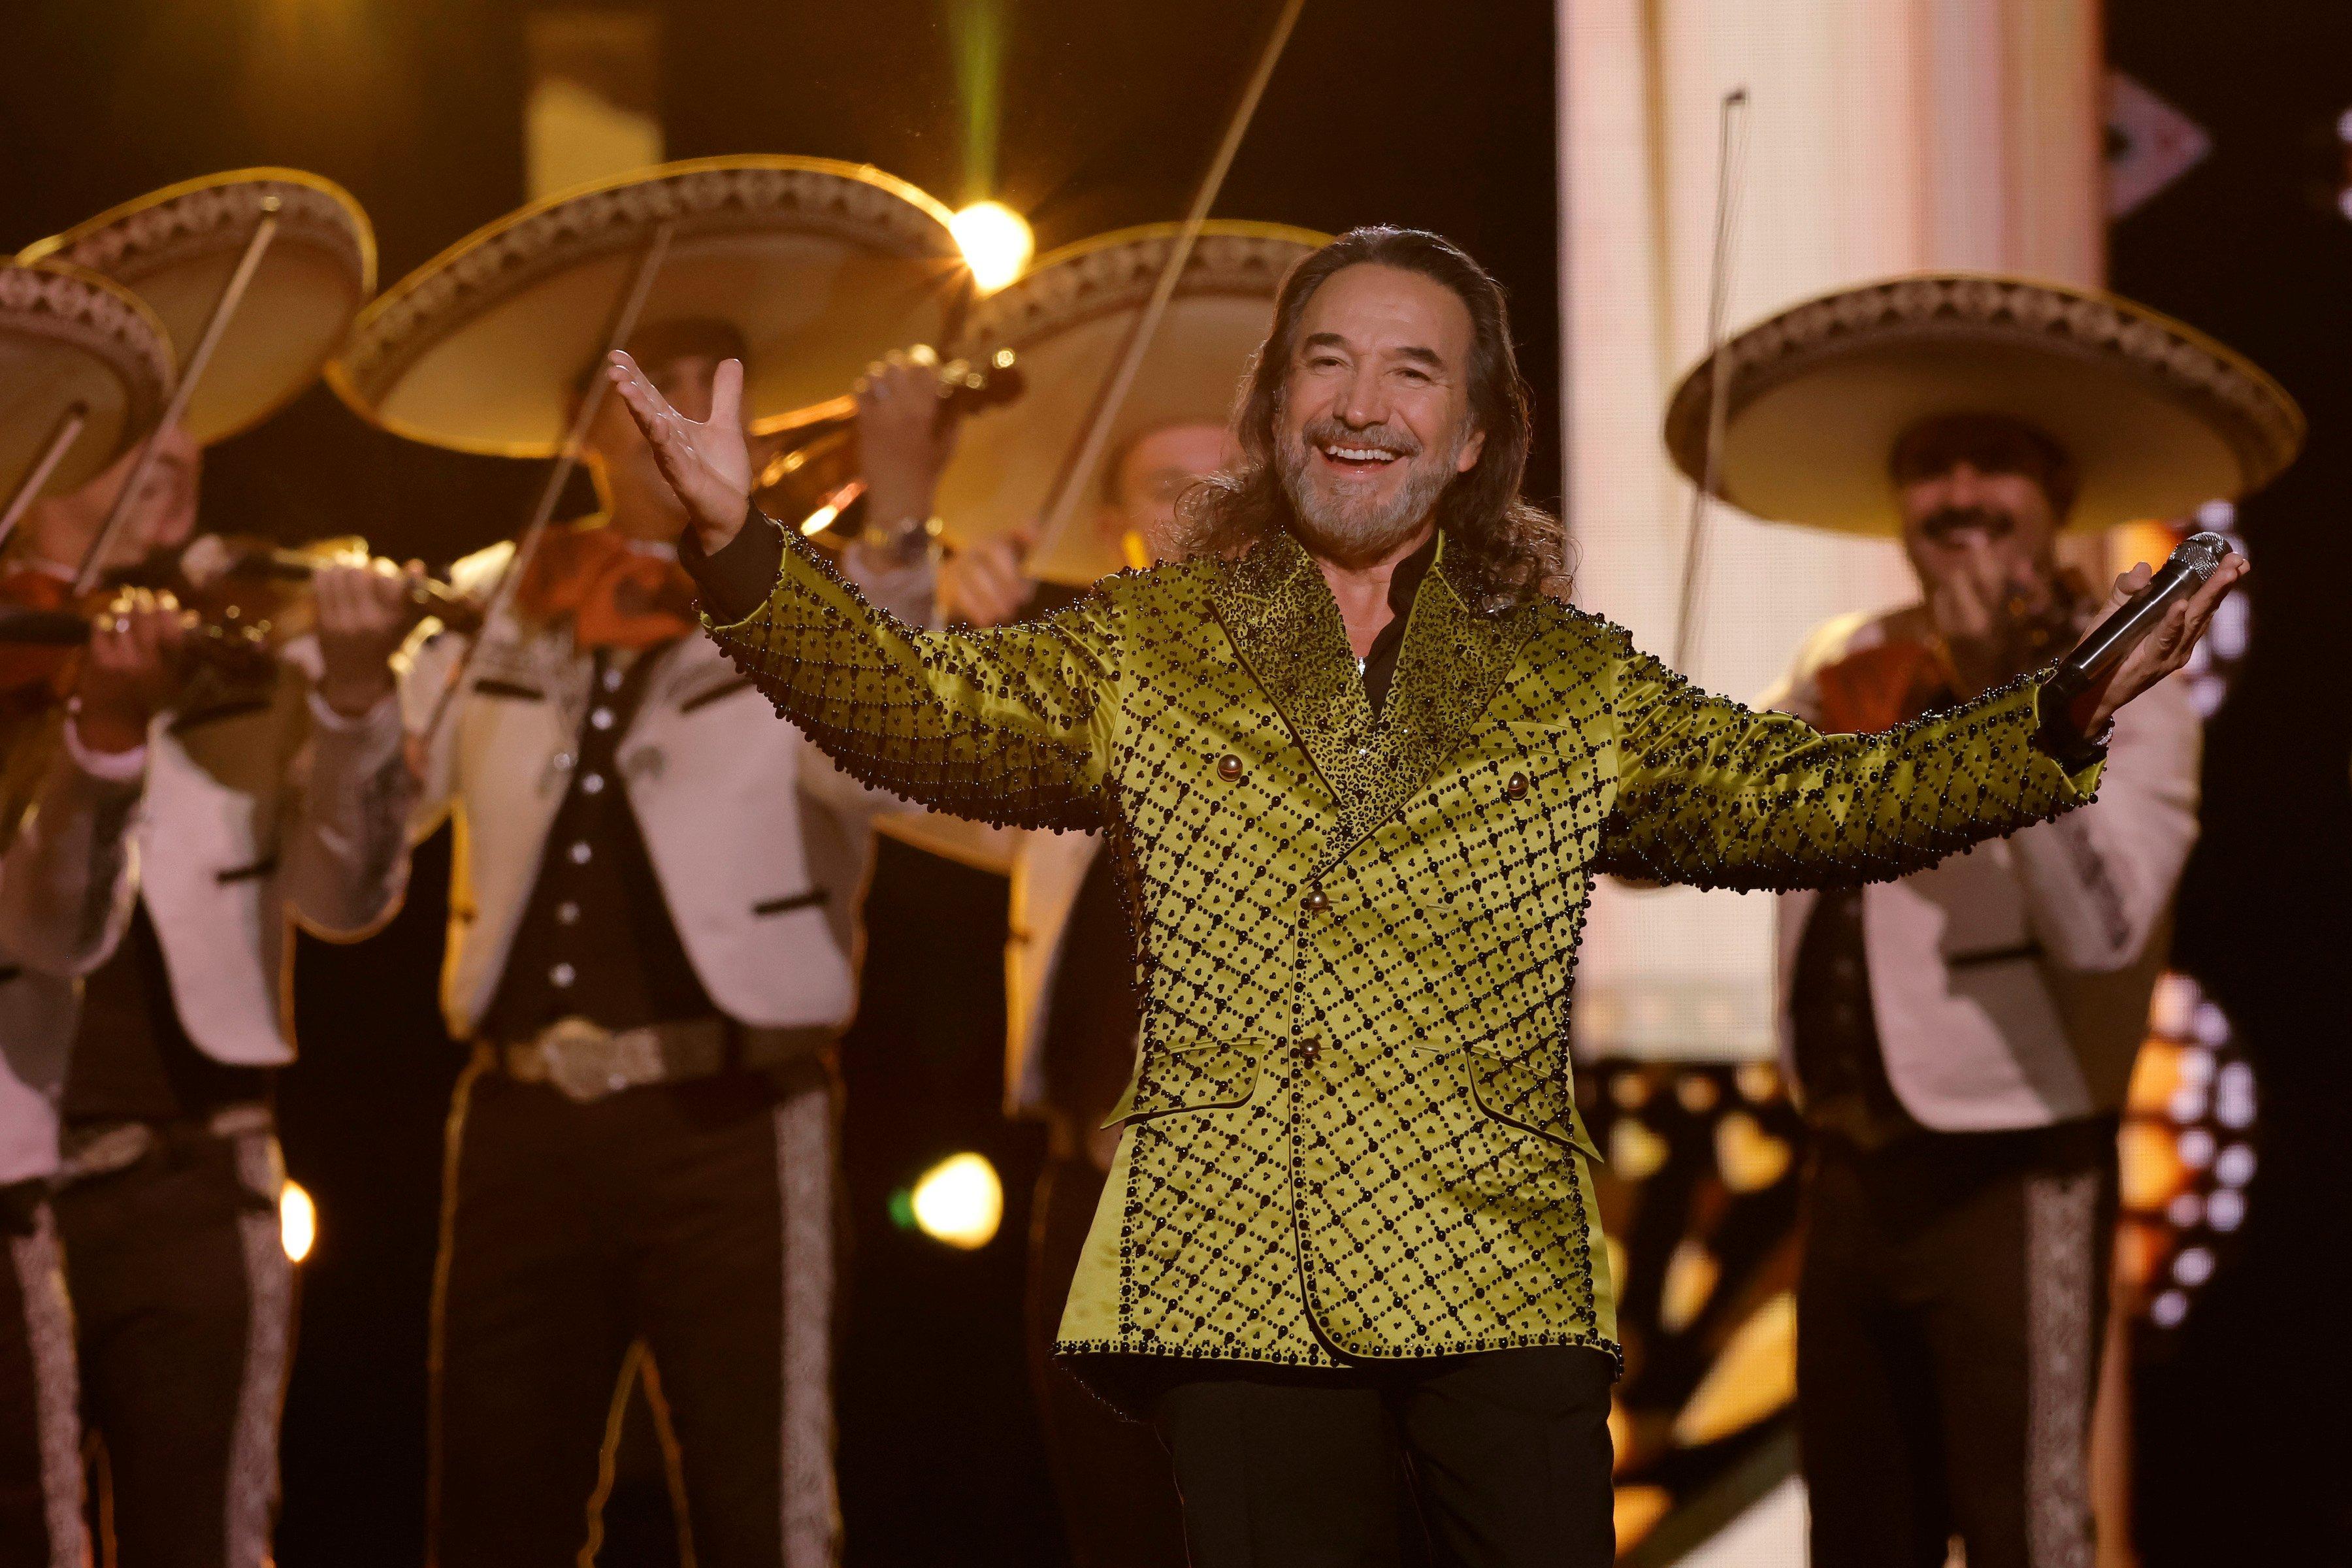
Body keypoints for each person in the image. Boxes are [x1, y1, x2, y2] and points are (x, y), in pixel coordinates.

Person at [615, 226, 2240, 1568]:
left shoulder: (1563, 682)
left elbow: (1820, 802)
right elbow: (920, 715)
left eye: (1413, 368)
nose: (1363, 397)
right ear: (1273, 417)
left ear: (1471, 439)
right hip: (1239, 1286)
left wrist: (2053, 720)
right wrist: (741, 547)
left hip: (1494, 1294)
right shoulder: (1157, 649)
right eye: (1326, 359)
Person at [311, 318, 968, 1568]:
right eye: (639, 385)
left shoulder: (805, 589)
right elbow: (344, 891)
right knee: (492, 1515)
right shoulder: (496, 597)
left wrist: (901, 522)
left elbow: (915, 769)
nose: (676, 408)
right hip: (516, 1122)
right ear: (577, 428)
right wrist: (347, 698)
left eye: (706, 384)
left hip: (727, 1118)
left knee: (758, 1511)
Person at [1764, 417, 2199, 1568]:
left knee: (2029, 1535)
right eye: (1925, 465)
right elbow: (1704, 817)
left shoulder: (2130, 669)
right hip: (1847, 1167)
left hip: (2011, 1171)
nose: (1958, 493)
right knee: (1855, 1536)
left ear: (2055, 493)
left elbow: (2102, 933)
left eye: (1992, 460)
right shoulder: (1850, 656)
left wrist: (2007, 710)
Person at [0, 425, 415, 1568]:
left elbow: (350, 898)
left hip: (192, 1169)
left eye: (190, 414)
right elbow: (47, 926)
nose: (175, 445)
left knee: (212, 1542)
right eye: (135, 426)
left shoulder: (248, 648)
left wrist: (354, 701)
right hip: (11, 1184)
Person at [869, 355, 1238, 1568]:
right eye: (1171, 487)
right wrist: (944, 636)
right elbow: (892, 773)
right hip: (1090, 1187)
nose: (1201, 512)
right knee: (1114, 1528)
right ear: (1114, 527)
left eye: (1228, 484)